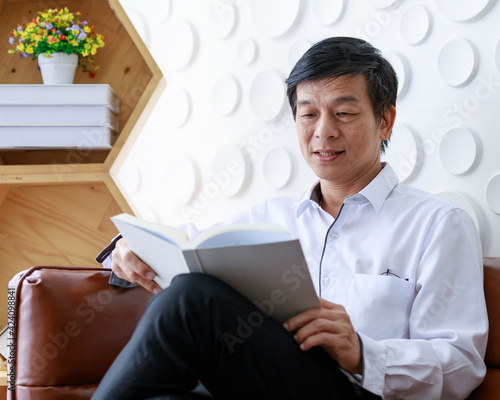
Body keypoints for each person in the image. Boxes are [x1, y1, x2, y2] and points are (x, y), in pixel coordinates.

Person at [91, 37, 488, 400]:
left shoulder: (438, 224)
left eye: (344, 113)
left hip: (358, 393)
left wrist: (363, 353)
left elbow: (461, 362)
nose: (323, 132)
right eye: (308, 114)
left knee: (192, 296)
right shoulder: (269, 217)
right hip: (263, 387)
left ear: (385, 120)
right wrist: (125, 249)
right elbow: (185, 246)